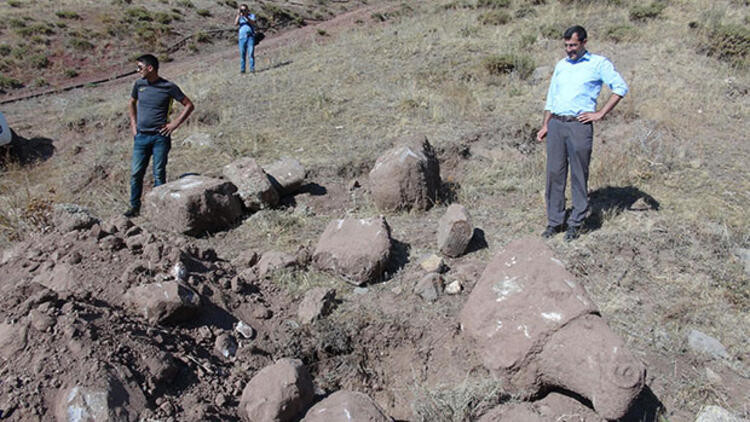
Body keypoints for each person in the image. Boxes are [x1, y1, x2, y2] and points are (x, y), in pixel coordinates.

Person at [536, 25, 628, 241]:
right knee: (554, 174)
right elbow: (552, 98)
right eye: (566, 45)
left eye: (573, 45)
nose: (569, 50)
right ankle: (555, 221)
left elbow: (620, 87)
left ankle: (576, 223)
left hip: (579, 125)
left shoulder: (598, 64)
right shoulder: (561, 65)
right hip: (556, 124)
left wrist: (600, 113)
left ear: (584, 42)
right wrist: (546, 124)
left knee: (579, 174)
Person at [125, 54, 194, 217]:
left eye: (140, 67)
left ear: (150, 68)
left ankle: (160, 210)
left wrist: (174, 124)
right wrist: (133, 125)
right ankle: (134, 207)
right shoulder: (139, 84)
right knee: (136, 173)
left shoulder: (168, 87)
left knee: (159, 173)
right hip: (141, 137)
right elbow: (131, 102)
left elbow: (189, 105)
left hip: (160, 137)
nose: (137, 71)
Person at [234, 4, 256, 74]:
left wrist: (246, 17)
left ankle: (252, 69)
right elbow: (235, 24)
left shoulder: (251, 15)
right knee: (242, 54)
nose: (243, 11)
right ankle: (242, 70)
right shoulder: (240, 17)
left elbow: (253, 22)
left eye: (244, 10)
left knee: (251, 53)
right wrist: (238, 15)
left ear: (247, 10)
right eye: (242, 10)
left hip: (250, 36)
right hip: (242, 37)